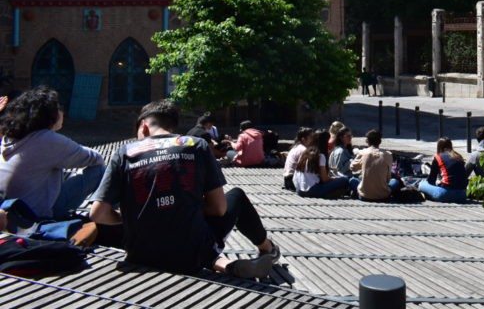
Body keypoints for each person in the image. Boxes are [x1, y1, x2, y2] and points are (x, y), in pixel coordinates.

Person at [89, 100, 279, 278]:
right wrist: (185, 202)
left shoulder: (125, 152)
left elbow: (97, 213)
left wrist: (138, 213)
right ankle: (267, 249)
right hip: (190, 252)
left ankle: (221, 262)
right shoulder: (195, 145)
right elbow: (219, 208)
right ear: (172, 126)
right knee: (236, 195)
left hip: (140, 253)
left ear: (144, 126)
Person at [0, 86, 105, 226]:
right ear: (51, 115)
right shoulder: (47, 140)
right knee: (99, 171)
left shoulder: (12, 135)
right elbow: (95, 158)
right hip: (36, 215)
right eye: (59, 108)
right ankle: (107, 215)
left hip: (12, 211)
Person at [293, 130, 357, 199]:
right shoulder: (320, 156)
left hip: (299, 190)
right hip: (312, 190)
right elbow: (325, 179)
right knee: (345, 179)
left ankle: (329, 193)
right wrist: (334, 178)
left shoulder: (305, 153)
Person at [418, 137, 468, 203]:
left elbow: (431, 180)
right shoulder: (458, 156)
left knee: (422, 184)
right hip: (462, 194)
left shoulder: (438, 157)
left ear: (439, 147)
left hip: (445, 194)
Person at [356, 130, 400, 201]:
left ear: (367, 141)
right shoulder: (388, 155)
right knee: (395, 181)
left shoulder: (363, 153)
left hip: (364, 196)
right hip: (383, 196)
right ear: (380, 142)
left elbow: (352, 167)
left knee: (353, 180)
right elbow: (388, 178)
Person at [282, 127, 314, 191]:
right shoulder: (303, 150)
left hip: (287, 180)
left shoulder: (295, 147)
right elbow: (304, 168)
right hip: (293, 180)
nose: (313, 139)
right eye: (311, 137)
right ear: (303, 139)